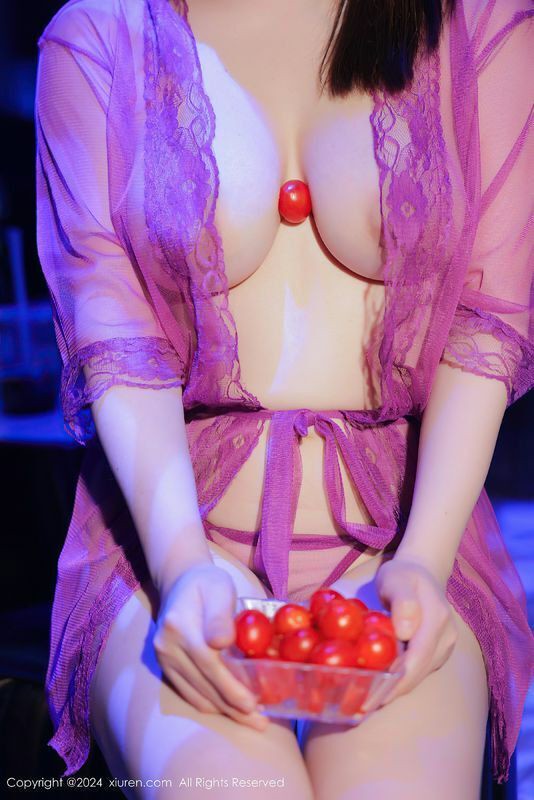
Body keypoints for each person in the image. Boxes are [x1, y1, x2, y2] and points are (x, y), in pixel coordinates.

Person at [36, 0, 533, 797]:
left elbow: (486, 321)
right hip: (171, 542)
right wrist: (181, 565)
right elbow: (115, 339)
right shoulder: (101, 32)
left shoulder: (477, 22)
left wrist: (422, 564)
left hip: (401, 538)